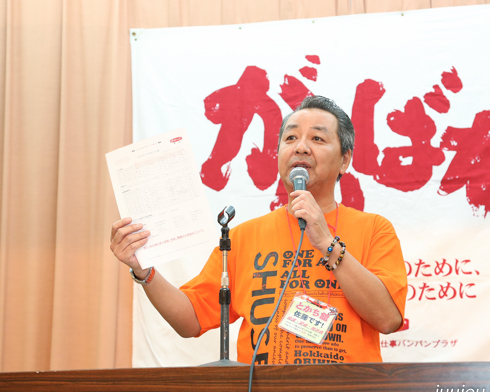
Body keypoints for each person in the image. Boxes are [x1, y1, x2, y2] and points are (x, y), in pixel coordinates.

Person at [110, 96, 407, 365]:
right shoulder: (243, 237)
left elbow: (388, 319)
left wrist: (327, 243)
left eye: (317, 138)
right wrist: (144, 270)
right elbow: (191, 320)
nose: (301, 147)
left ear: (345, 160)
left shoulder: (374, 229)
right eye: (290, 138)